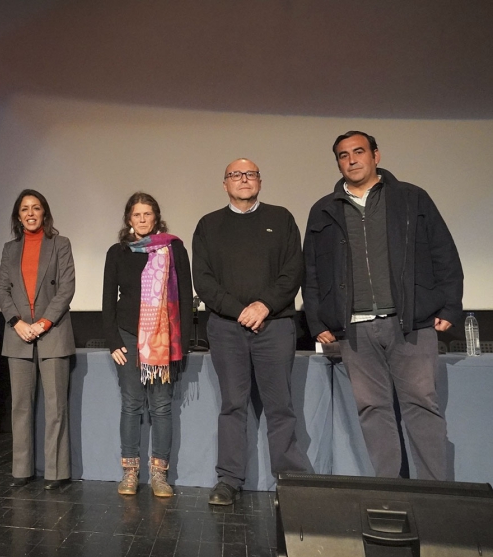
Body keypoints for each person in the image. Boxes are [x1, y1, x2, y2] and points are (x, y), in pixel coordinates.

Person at [303, 131, 463, 480]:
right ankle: (392, 489)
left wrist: (450, 307)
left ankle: (437, 492)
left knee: (422, 405)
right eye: (343, 155)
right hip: (355, 329)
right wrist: (316, 321)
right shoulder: (324, 210)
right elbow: (312, 271)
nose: (352, 160)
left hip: (410, 323)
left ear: (376, 155)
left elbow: (443, 252)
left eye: (359, 152)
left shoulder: (411, 198)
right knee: (372, 409)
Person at [193, 159, 310, 506]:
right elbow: (204, 280)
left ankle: (291, 481)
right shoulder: (208, 225)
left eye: (250, 174)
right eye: (235, 175)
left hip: (274, 325)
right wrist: (239, 310)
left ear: (260, 180)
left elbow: (293, 271)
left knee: (280, 406)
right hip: (227, 329)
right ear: (224, 182)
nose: (243, 180)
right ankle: (229, 480)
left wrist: (264, 306)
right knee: (233, 405)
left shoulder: (281, 219)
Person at [102, 192, 192, 497]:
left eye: (147, 214)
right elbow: (107, 302)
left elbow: (185, 299)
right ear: (129, 219)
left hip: (163, 336)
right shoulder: (117, 252)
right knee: (131, 404)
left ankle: (159, 475)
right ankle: (130, 474)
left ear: (156, 217)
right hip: (127, 335)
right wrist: (112, 340)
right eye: (136, 215)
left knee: (162, 406)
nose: (142, 220)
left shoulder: (173, 249)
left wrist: (184, 345)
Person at [0, 190, 75, 490]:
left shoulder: (60, 244)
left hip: (53, 332)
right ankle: (22, 469)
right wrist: (17, 323)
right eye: (25, 209)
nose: (31, 213)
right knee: (20, 405)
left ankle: (56, 472)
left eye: (36, 208)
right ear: (18, 216)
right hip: (18, 334)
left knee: (55, 406)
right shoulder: (9, 249)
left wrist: (42, 323)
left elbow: (66, 288)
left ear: (45, 213)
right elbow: (2, 290)